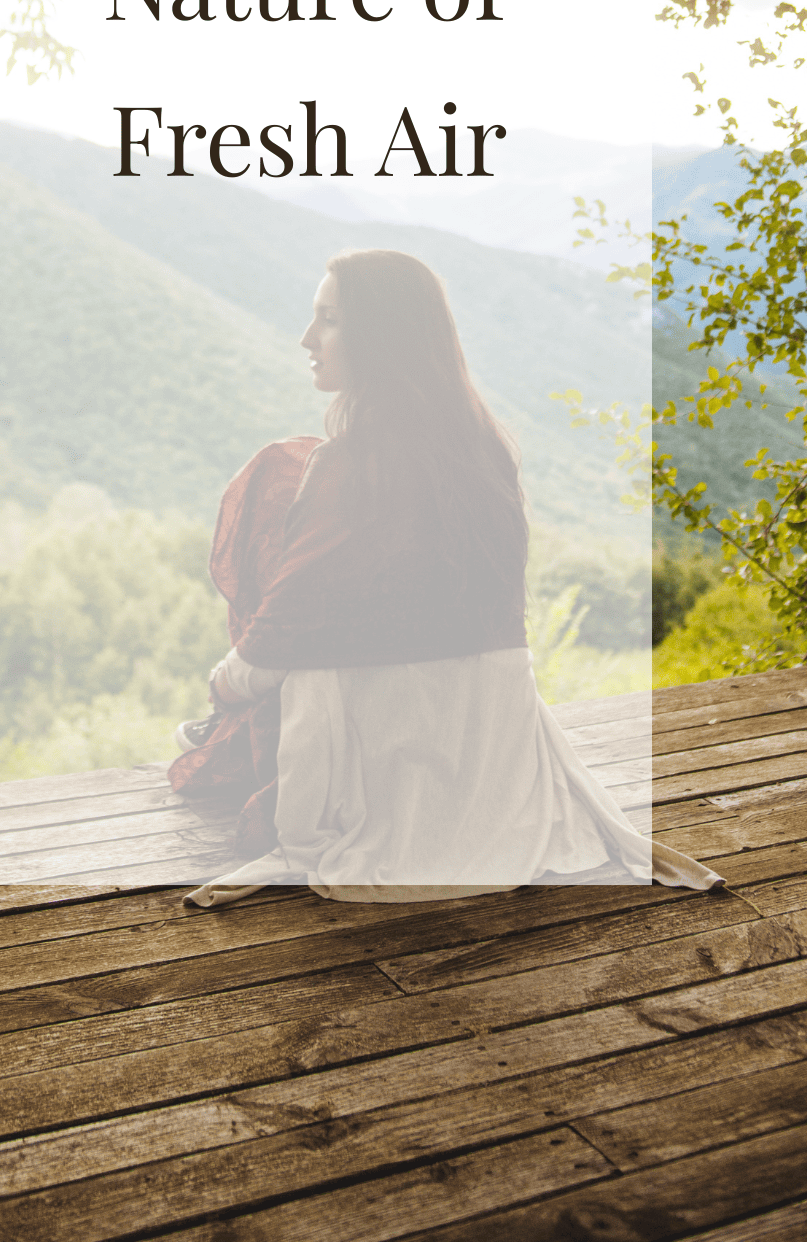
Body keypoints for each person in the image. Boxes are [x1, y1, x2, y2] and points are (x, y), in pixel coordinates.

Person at [169, 249, 722, 907]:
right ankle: (233, 727)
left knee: (276, 472)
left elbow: (290, 616)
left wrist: (228, 683)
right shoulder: (482, 450)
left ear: (382, 337)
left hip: (392, 747)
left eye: (329, 320)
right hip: (489, 744)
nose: (306, 340)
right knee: (294, 467)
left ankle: (226, 730)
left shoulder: (353, 468)